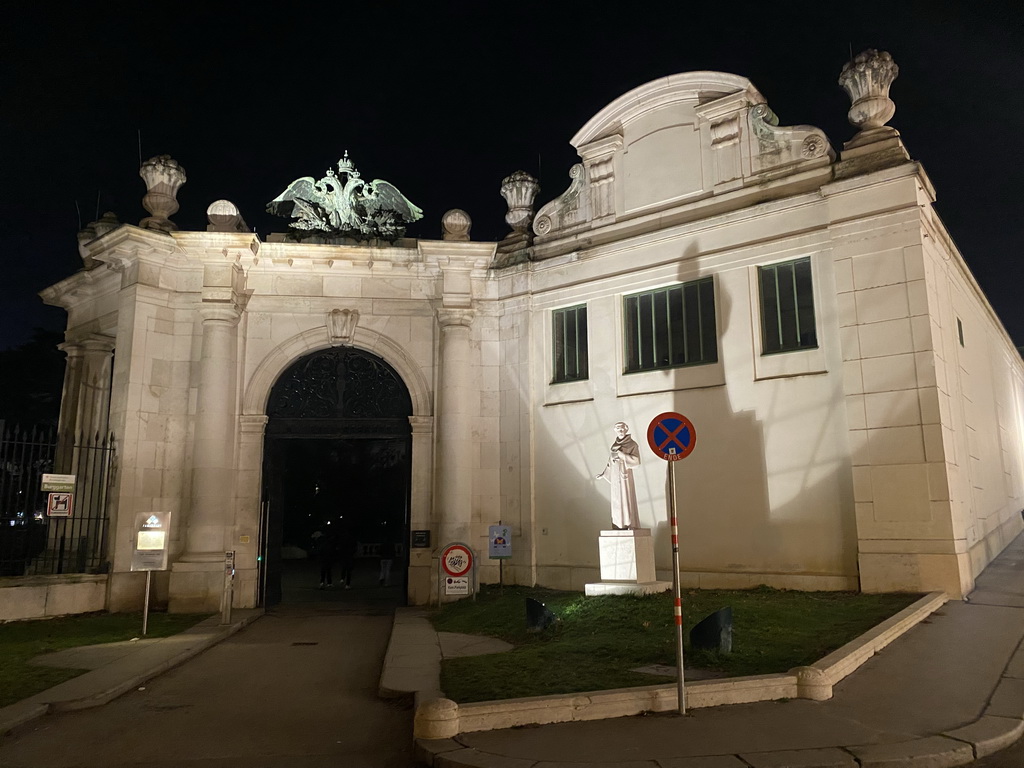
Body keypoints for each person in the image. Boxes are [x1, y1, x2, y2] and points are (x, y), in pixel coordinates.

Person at [595, 421, 642, 530]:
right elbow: (610, 461)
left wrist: (622, 455)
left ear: (626, 430)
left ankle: (629, 523)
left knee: (626, 498)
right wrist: (604, 473)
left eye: (622, 429)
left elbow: (636, 461)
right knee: (617, 500)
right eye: (618, 429)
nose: (620, 431)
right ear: (615, 431)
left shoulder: (632, 444)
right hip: (615, 476)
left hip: (624, 475)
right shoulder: (614, 445)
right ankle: (618, 525)